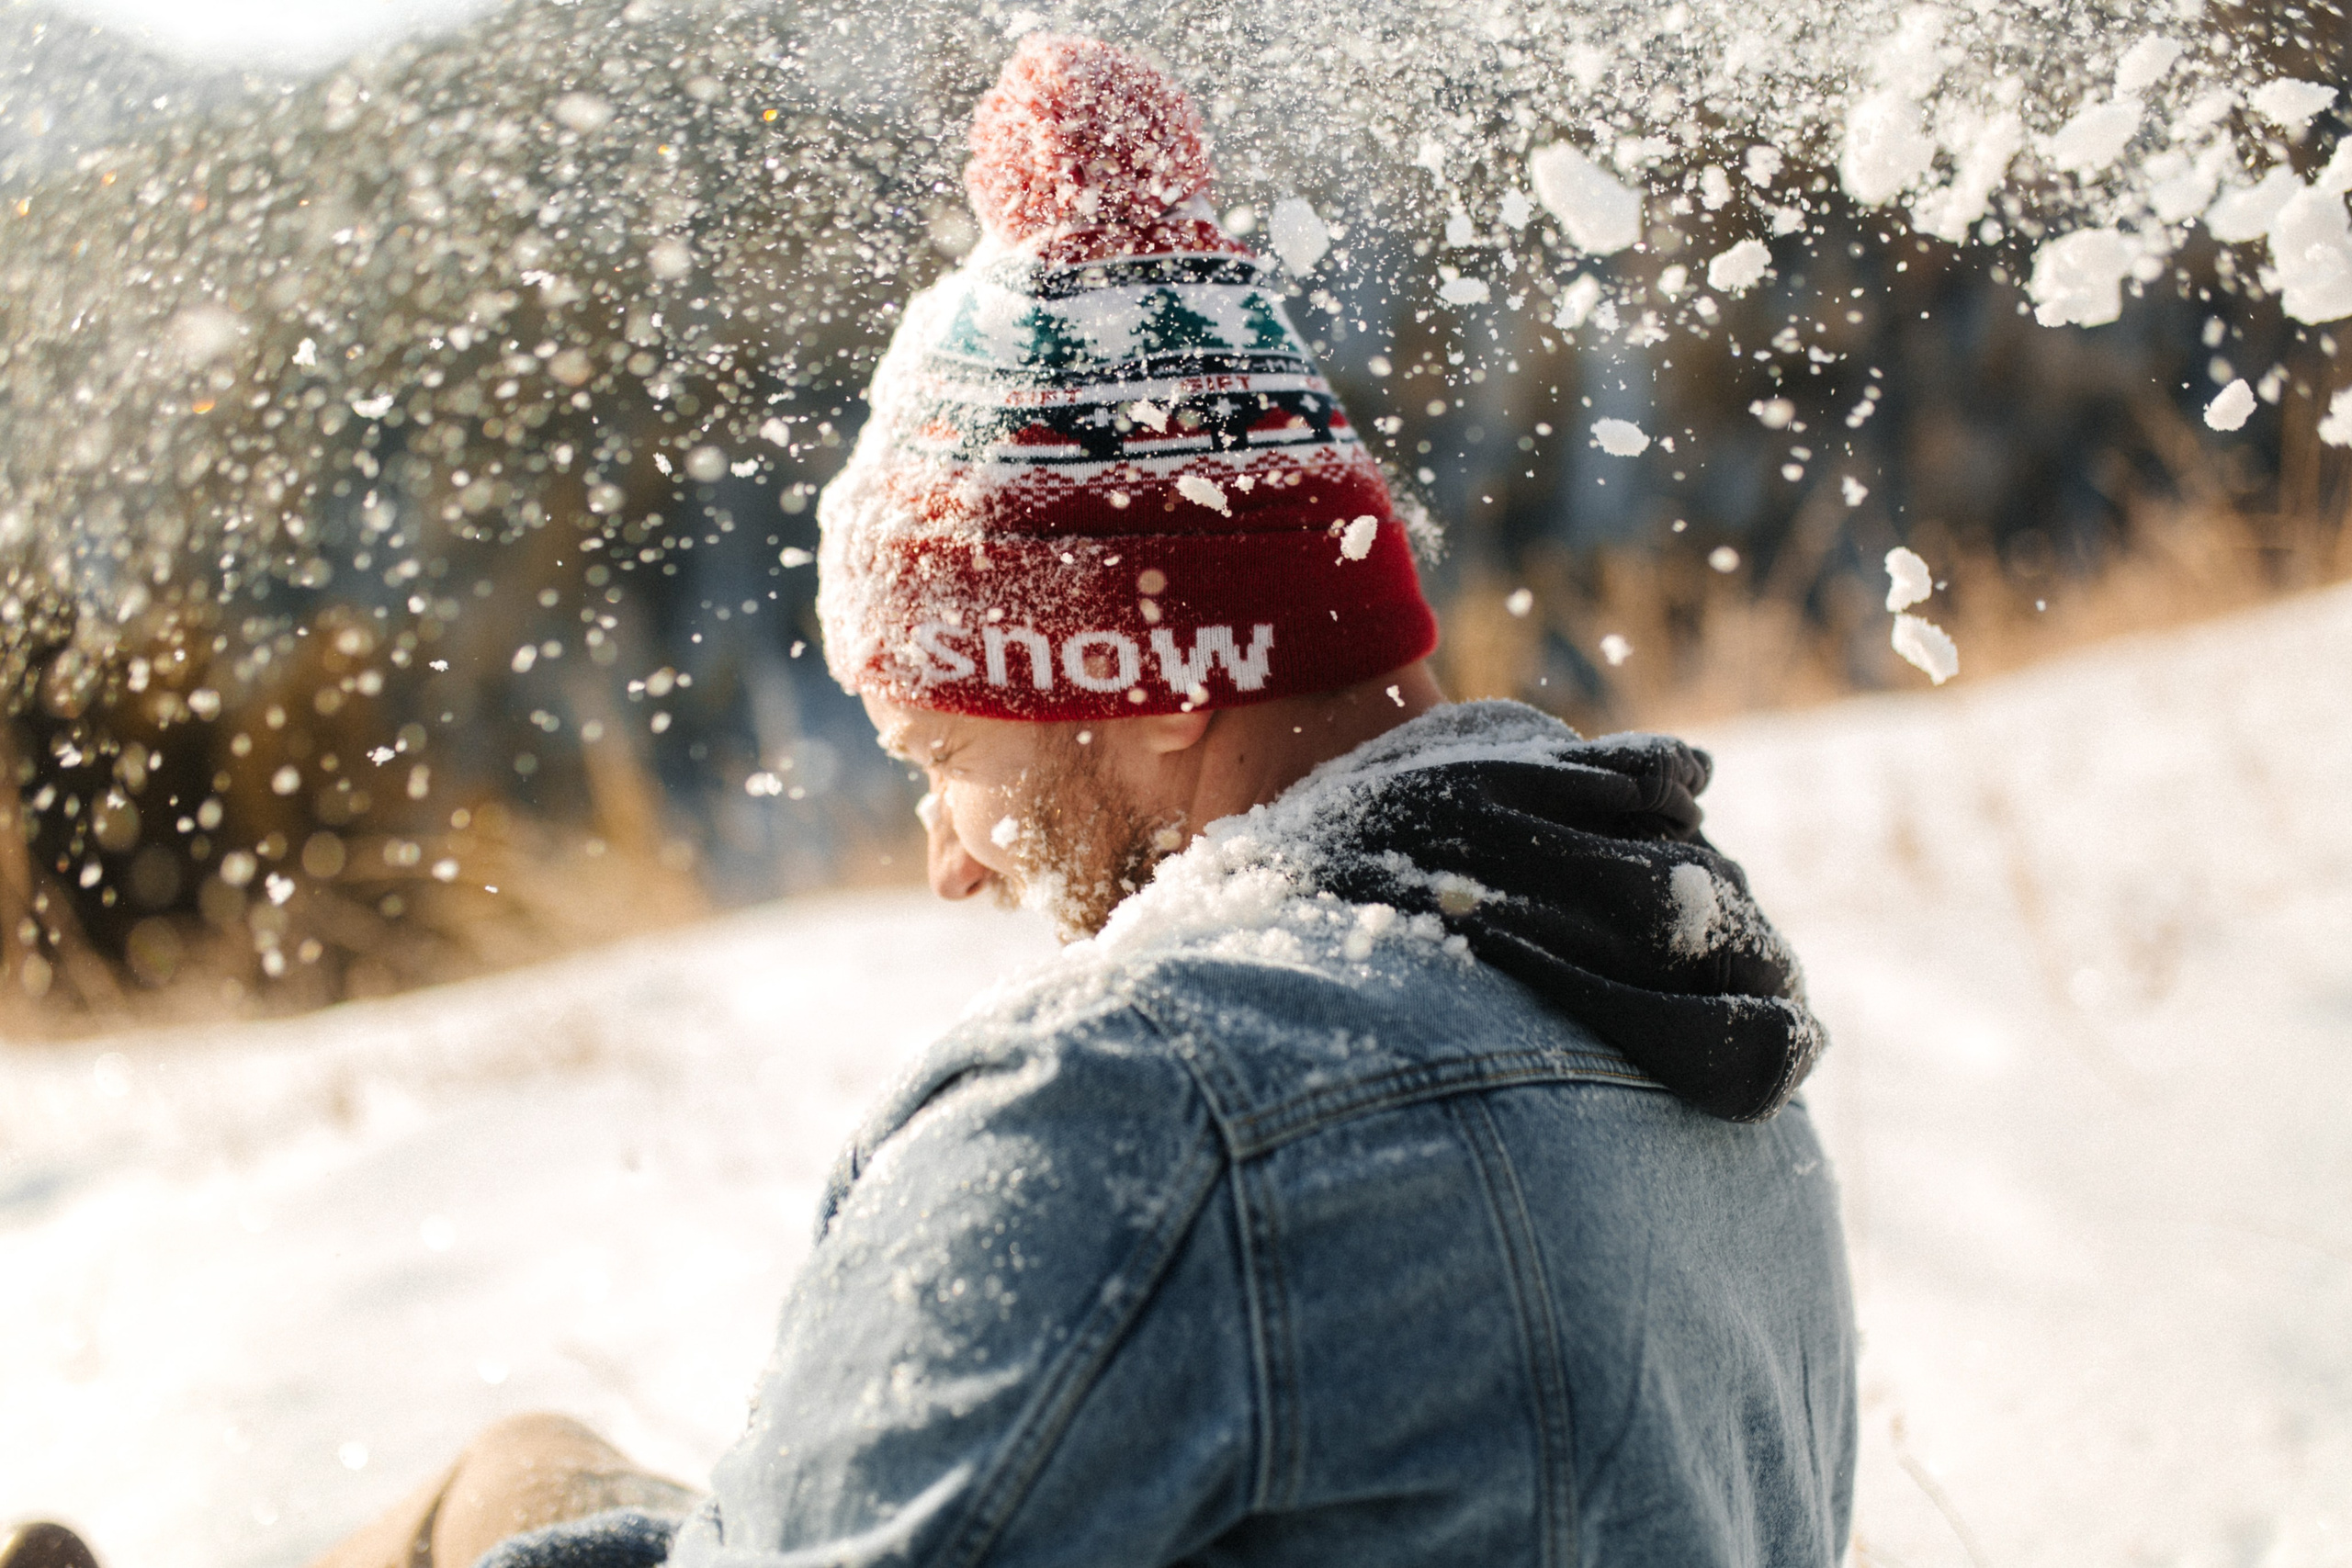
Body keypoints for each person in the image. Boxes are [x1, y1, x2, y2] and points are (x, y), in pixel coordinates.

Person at [7, 33, 1854, 1568]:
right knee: (515, 1464)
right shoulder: (1672, 1001)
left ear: (1129, 676)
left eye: (939, 758)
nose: (947, 858)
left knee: (475, 1494)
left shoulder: (1157, 1107)